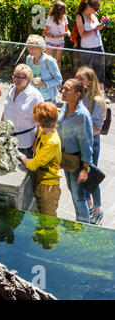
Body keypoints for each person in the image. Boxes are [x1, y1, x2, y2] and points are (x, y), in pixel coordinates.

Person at [56, 78, 93, 223]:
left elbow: (86, 144)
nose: (62, 91)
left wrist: (85, 169)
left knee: (79, 198)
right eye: (62, 88)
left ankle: (83, 229)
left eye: (67, 89)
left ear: (77, 94)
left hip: (77, 162)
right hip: (66, 159)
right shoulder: (65, 106)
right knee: (73, 192)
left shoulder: (81, 115)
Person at [76, 66, 106, 224]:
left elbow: (97, 128)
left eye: (81, 79)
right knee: (83, 175)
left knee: (92, 175)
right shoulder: (81, 95)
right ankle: (88, 206)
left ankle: (97, 209)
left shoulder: (97, 101)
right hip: (80, 141)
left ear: (90, 80)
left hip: (91, 142)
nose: (78, 81)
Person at [20, 102, 62, 217]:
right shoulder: (44, 131)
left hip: (48, 187)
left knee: (48, 223)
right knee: (38, 218)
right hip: (40, 182)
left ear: (38, 120)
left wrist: (21, 156)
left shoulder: (51, 142)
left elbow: (32, 165)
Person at [2, 64, 44, 158]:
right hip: (7, 139)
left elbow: (40, 123)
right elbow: (6, 110)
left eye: (20, 77)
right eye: (14, 76)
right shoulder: (11, 89)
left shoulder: (35, 96)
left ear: (28, 79)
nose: (16, 79)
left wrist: (36, 142)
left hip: (24, 144)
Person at [75, 0, 110, 97]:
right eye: (95, 9)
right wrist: (95, 29)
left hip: (99, 46)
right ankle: (85, 95)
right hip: (87, 49)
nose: (96, 11)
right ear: (89, 6)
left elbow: (97, 29)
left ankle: (101, 95)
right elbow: (83, 34)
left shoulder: (94, 15)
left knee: (100, 72)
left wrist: (102, 23)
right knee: (86, 74)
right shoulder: (79, 17)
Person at [26, 34, 63, 105]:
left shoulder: (49, 61)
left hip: (47, 98)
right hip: (32, 96)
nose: (30, 50)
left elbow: (59, 80)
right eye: (29, 48)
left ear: (40, 48)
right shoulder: (29, 59)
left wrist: (45, 83)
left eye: (33, 48)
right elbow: (28, 75)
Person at [42, 1, 71, 70]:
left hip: (60, 42)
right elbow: (44, 33)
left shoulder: (64, 17)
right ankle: (48, 78)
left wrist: (70, 35)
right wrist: (54, 37)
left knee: (58, 60)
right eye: (63, 10)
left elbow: (67, 29)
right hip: (50, 42)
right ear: (58, 10)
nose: (65, 12)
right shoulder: (50, 19)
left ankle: (58, 79)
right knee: (49, 61)